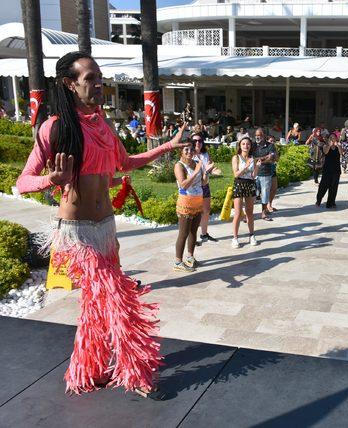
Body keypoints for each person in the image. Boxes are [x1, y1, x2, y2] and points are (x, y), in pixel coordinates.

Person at [16, 51, 190, 396]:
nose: (99, 85)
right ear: (70, 84)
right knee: (118, 298)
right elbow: (23, 181)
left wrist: (167, 146)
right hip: (76, 234)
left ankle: (87, 370)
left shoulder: (104, 125)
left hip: (106, 229)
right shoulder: (54, 128)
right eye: (90, 79)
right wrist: (52, 179)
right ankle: (137, 372)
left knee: (95, 307)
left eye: (99, 77)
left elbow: (126, 162)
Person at [173, 139, 213, 272]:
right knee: (183, 233)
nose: (189, 152)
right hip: (186, 202)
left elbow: (202, 183)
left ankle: (190, 257)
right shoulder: (179, 166)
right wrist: (196, 171)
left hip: (198, 201)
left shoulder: (197, 163)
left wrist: (206, 172)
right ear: (181, 152)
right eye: (186, 149)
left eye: (191, 149)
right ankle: (178, 262)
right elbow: (184, 184)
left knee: (193, 232)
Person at [231, 137, 262, 248]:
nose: (245, 146)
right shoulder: (236, 158)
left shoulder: (252, 158)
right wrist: (246, 166)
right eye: (243, 144)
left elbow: (253, 176)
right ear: (240, 145)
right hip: (239, 184)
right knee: (238, 213)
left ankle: (252, 235)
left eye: (247, 144)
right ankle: (235, 238)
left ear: (250, 146)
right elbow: (236, 174)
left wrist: (257, 167)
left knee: (249, 212)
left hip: (249, 184)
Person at [193, 134, 219, 242]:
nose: (197, 143)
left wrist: (213, 170)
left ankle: (204, 234)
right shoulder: (189, 155)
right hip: (194, 187)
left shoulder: (205, 154)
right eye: (194, 141)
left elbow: (210, 166)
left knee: (206, 211)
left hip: (205, 185)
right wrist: (207, 170)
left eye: (199, 141)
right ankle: (192, 238)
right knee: (194, 213)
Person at [253, 128, 277, 221]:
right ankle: (250, 214)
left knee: (265, 193)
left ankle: (264, 212)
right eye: (256, 135)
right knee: (252, 194)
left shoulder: (270, 145)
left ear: (264, 136)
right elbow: (251, 159)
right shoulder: (253, 145)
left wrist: (258, 159)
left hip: (266, 173)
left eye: (259, 135)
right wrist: (265, 158)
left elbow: (272, 158)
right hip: (254, 173)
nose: (257, 137)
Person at [316, 134, 342, 209]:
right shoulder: (325, 146)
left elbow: (341, 153)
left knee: (334, 187)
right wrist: (330, 145)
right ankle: (319, 199)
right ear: (329, 139)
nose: (333, 139)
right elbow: (326, 152)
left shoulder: (338, 146)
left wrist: (339, 146)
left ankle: (331, 202)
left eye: (334, 138)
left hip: (336, 170)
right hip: (327, 170)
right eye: (331, 138)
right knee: (323, 186)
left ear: (336, 139)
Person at [267, 134, 280, 214]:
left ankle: (270, 204)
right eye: (271, 141)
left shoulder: (274, 149)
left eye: (273, 141)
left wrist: (275, 154)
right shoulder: (265, 149)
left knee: (274, 188)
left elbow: (277, 159)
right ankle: (266, 207)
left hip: (273, 169)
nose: (272, 142)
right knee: (266, 189)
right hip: (265, 170)